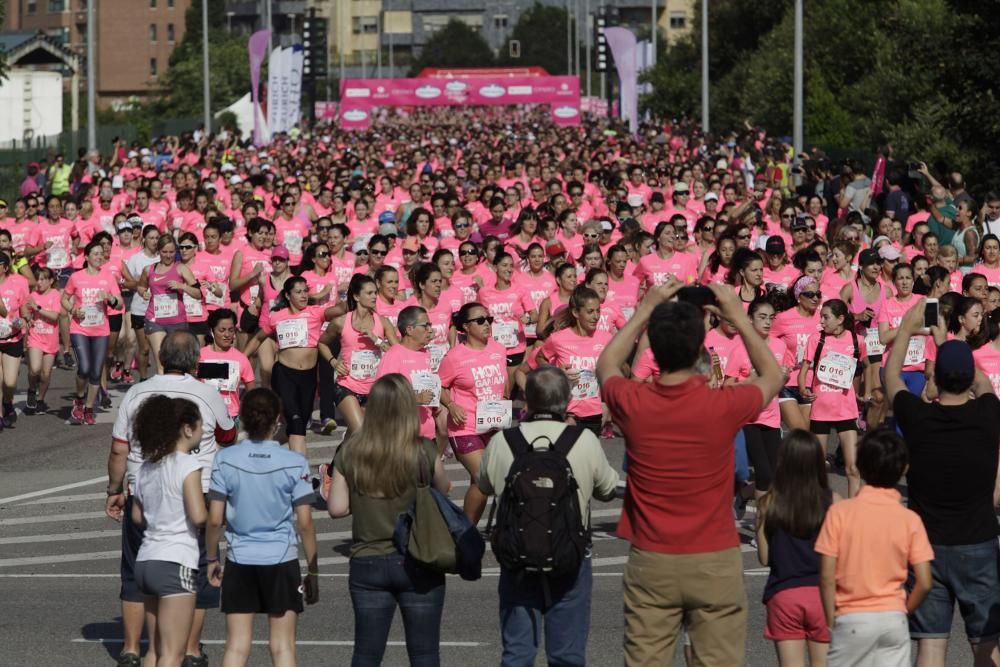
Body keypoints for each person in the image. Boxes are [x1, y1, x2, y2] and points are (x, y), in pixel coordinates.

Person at [597, 279, 785, 665]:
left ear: (654, 349)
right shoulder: (722, 405)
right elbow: (772, 375)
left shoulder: (634, 401)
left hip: (652, 557)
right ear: (702, 347)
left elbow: (606, 364)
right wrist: (738, 317)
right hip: (714, 557)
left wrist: (645, 308)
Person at [105, 332, 237, 667]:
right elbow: (228, 435)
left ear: (160, 357)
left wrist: (114, 489)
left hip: (142, 487)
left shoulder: (137, 392)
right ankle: (190, 648)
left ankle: (132, 647)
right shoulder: (207, 394)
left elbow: (120, 447)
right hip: (198, 486)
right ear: (195, 361)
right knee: (201, 571)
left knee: (134, 572)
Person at [883, 300, 1000, 667]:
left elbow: (891, 378)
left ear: (935, 379)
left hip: (925, 545)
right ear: (967, 377)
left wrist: (905, 329)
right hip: (978, 542)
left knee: (930, 647)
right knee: (986, 646)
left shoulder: (918, 417)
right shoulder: (987, 413)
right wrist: (954, 348)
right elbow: (983, 384)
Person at [478, 366, 618, 666]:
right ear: (567, 400)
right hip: (571, 554)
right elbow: (607, 490)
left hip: (518, 555)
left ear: (527, 400)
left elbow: (484, 484)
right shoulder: (582, 440)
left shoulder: (504, 441)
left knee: (517, 652)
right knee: (567, 654)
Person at [327, 374, 452, 667]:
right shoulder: (422, 448)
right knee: (424, 653)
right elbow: (443, 489)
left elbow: (337, 507)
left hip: (368, 558)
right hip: (418, 557)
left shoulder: (353, 450)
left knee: (367, 654)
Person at [206, 388, 319, 667]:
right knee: (282, 648)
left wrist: (211, 558)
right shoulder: (295, 461)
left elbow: (214, 519)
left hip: (240, 558)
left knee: (236, 648)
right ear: (277, 420)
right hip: (281, 558)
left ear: (242, 419)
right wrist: (313, 570)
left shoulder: (225, 459)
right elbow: (305, 523)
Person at [816, 428, 934, 667]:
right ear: (904, 469)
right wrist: (904, 611)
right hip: (893, 617)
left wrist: (831, 619)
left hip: (851, 617)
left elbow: (827, 576)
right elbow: (925, 581)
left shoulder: (840, 513)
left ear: (859, 465)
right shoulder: (909, 519)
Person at [130, 395, 207, 667]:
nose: (202, 431)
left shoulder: (146, 467)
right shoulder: (188, 465)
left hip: (146, 559)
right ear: (187, 429)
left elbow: (137, 515)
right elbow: (198, 515)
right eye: (200, 426)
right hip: (176, 560)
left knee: (154, 649)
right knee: (174, 653)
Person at [757, 430, 841, 667]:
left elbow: (764, 558)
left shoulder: (769, 502)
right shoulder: (833, 501)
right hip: (822, 593)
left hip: (783, 593)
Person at [242, 277, 346, 454]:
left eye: (306, 291)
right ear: (288, 295)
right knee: (296, 423)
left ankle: (260, 449)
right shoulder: (277, 317)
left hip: (308, 377)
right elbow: (258, 338)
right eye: (298, 292)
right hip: (284, 375)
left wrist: (350, 296)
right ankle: (301, 474)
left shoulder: (316, 312)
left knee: (297, 427)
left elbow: (340, 309)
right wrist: (241, 359)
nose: (304, 295)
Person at [438, 302, 510, 521]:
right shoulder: (454, 357)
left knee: (479, 483)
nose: (486, 324)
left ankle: (468, 531)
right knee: (483, 479)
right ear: (466, 327)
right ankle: (464, 530)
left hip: (495, 424)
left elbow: (504, 380)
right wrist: (451, 405)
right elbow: (438, 385)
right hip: (465, 427)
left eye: (488, 319)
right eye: (480, 320)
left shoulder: (498, 349)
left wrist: (505, 399)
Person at [799, 299, 867, 497]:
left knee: (852, 468)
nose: (822, 321)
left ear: (840, 319)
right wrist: (803, 389)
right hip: (820, 410)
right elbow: (804, 371)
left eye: (826, 317)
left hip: (846, 410)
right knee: (820, 468)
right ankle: (822, 509)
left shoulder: (857, 341)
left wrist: (865, 391)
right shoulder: (816, 339)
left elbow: (865, 366)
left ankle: (853, 513)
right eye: (821, 316)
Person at [62, 241, 123, 425]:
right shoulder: (76, 277)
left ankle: (88, 408)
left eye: (101, 254)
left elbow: (119, 303)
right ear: (86, 257)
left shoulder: (108, 277)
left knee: (96, 372)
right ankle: (79, 399)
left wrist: (110, 298)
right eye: (95, 253)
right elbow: (64, 298)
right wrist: (72, 310)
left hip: (100, 330)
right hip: (80, 328)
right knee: (85, 368)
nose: (99, 256)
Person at [198, 308, 256, 422]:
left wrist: (245, 412)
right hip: (204, 416)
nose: (227, 334)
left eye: (231, 330)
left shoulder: (241, 359)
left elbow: (252, 391)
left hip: (231, 417)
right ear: (212, 331)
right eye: (222, 330)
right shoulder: (199, 356)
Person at [25, 266, 60, 413]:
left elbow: (55, 316)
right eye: (37, 279)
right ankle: (32, 389)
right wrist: (27, 318)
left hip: (50, 338)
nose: (39, 282)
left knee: (45, 374)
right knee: (34, 369)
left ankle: (40, 400)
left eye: (42, 279)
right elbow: (25, 313)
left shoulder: (56, 294)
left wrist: (38, 308)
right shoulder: (32, 295)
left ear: (50, 281)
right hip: (35, 337)